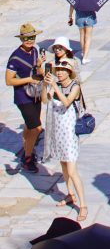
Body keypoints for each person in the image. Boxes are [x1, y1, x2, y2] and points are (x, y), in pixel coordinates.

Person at [42, 59, 87, 221]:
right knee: (63, 165)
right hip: (57, 129)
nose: (59, 72)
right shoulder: (56, 85)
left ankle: (83, 205)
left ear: (69, 71)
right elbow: (45, 100)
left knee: (72, 170)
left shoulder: (75, 86)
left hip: (69, 132)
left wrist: (54, 87)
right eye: (57, 69)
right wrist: (45, 85)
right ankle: (70, 194)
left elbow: (67, 102)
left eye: (62, 69)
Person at [5, 23, 44, 173]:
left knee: (30, 125)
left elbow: (37, 72)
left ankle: (26, 147)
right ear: (21, 39)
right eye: (26, 38)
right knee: (36, 128)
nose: (30, 40)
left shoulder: (34, 51)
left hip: (35, 94)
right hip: (23, 96)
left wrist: (40, 65)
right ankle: (28, 158)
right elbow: (9, 81)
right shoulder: (15, 57)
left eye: (32, 37)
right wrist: (29, 79)